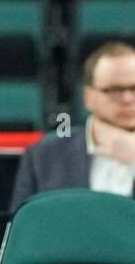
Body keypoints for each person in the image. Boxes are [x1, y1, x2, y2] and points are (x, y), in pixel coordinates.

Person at [11, 41, 135, 209]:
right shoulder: (44, 155)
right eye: (114, 90)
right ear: (88, 97)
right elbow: (22, 227)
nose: (127, 99)